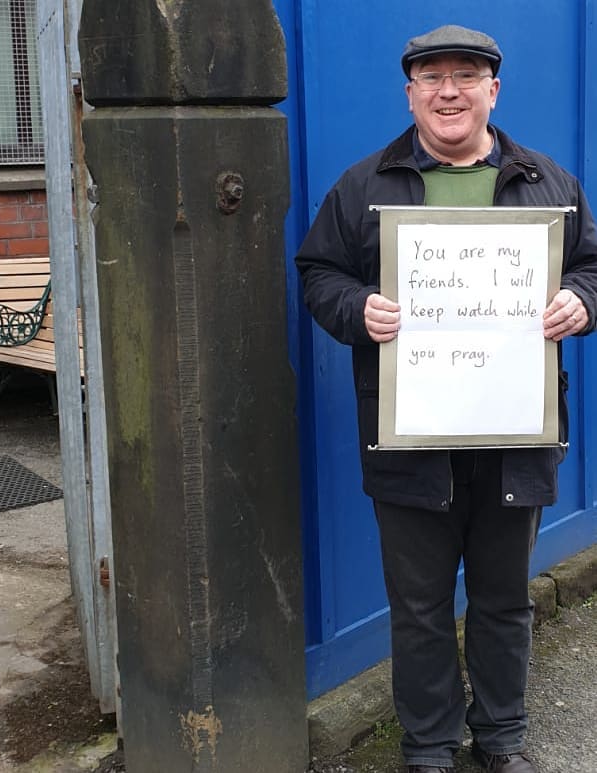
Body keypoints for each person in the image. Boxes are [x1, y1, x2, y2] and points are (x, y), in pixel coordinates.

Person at [295, 24, 597, 773]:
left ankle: (501, 739)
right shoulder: (364, 187)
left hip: (514, 437)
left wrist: (580, 299)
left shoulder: (548, 183)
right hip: (408, 438)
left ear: (493, 91)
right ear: (410, 94)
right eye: (431, 78)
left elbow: (591, 264)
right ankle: (428, 747)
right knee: (420, 607)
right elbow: (317, 272)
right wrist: (354, 307)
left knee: (502, 602)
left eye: (466, 76)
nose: (448, 91)